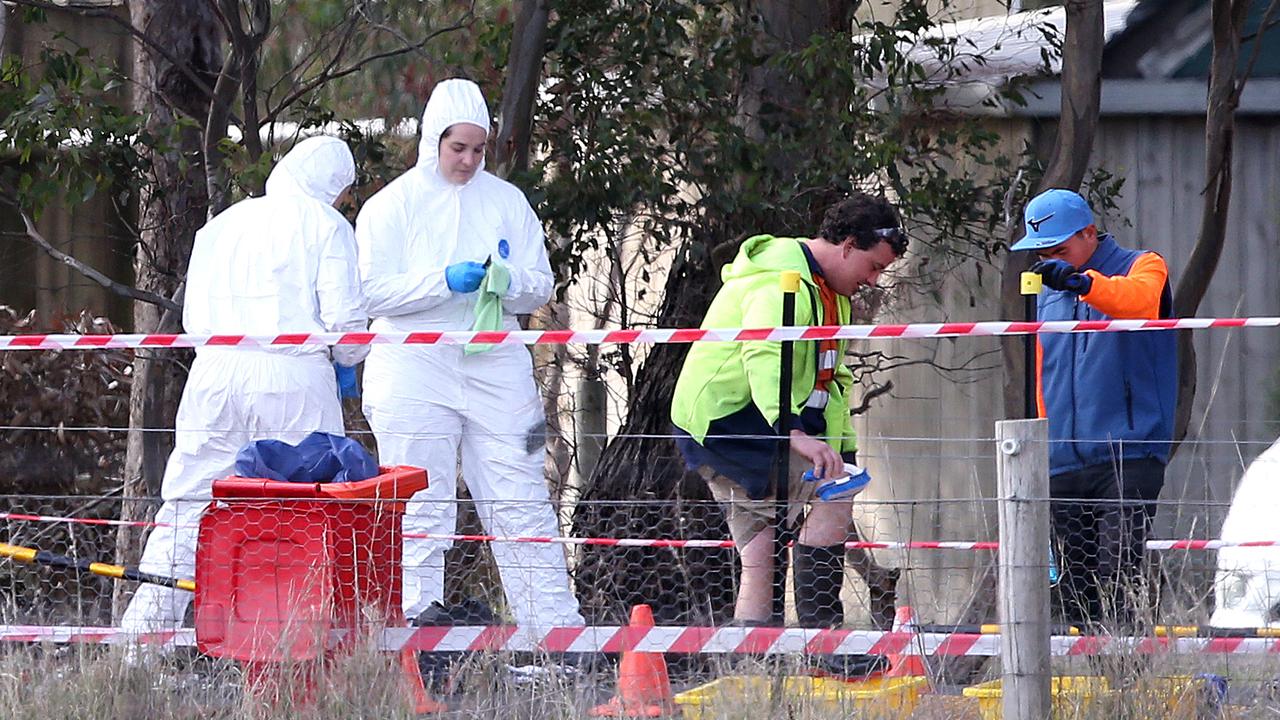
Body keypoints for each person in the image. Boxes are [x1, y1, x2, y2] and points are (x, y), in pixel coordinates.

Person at [355, 78, 583, 630]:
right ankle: (411, 631)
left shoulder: (506, 202)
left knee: (520, 494)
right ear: (433, 139)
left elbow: (539, 285)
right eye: (459, 147)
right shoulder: (392, 206)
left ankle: (553, 634)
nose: (469, 159)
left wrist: (505, 282)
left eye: (479, 149)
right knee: (417, 499)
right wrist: (442, 282)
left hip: (495, 362)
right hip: (413, 365)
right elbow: (370, 291)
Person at [120, 136, 369, 637]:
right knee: (305, 510)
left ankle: (141, 640)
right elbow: (347, 325)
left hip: (214, 374)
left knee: (189, 506)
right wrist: (348, 360)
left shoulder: (221, 225)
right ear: (332, 186)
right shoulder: (325, 225)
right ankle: (287, 641)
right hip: (292, 376)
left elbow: (192, 317)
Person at [669, 193, 907, 666]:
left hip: (762, 417)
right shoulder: (784, 280)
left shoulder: (831, 294)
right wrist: (790, 432)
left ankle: (753, 668)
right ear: (846, 245)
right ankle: (825, 646)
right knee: (834, 492)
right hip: (728, 421)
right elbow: (764, 354)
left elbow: (830, 378)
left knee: (762, 549)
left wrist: (842, 447)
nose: (873, 280)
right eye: (873, 266)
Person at [1015, 187, 1177, 627]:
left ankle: (1128, 677)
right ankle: (1092, 681)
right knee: (1075, 589)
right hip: (1063, 458)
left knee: (1120, 571)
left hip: (1129, 451)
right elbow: (1045, 370)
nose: (1052, 259)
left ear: (1090, 233)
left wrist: (1083, 284)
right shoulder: (1049, 290)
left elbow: (1138, 301)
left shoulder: (1143, 265)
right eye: (1042, 251)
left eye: (1060, 249)